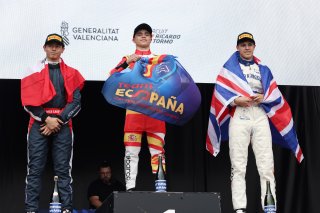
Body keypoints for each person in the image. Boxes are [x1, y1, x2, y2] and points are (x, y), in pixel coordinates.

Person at [21, 33, 85, 213]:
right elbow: (28, 102)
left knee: (64, 170)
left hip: (63, 124)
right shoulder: (33, 70)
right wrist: (46, 119)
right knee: (34, 169)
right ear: (45, 48)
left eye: (57, 45)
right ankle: (31, 210)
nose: (54, 48)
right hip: (38, 123)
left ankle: (66, 209)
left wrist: (58, 121)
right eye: (51, 45)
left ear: (63, 49)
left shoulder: (72, 73)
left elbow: (76, 102)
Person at [109, 23, 166, 191]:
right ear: (133, 38)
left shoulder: (159, 59)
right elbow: (112, 76)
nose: (143, 36)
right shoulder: (127, 59)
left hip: (155, 112)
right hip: (134, 113)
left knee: (158, 153)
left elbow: (170, 84)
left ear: (151, 37)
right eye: (139, 34)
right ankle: (130, 188)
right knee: (131, 154)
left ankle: (160, 187)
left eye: (146, 34)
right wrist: (127, 62)